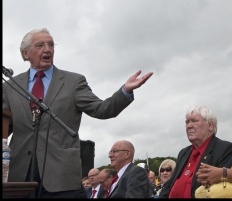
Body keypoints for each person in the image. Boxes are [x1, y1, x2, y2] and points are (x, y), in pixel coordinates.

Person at [2, 28, 153, 198]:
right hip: (20, 176)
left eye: (51, 45)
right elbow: (4, 128)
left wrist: (124, 91)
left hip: (61, 177)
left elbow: (101, 109)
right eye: (40, 45)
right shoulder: (10, 86)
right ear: (25, 53)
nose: (47, 49)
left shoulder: (73, 82)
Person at [159, 105, 232, 198]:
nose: (189, 126)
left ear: (210, 125)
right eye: (187, 122)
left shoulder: (225, 149)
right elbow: (170, 184)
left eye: (194, 121)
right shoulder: (184, 152)